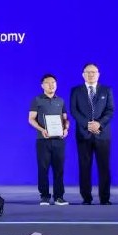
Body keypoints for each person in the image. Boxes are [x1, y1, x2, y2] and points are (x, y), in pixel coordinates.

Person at [69, 63, 115, 205]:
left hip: (102, 134)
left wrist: (99, 124)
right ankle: (86, 198)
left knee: (104, 167)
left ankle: (105, 198)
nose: (91, 74)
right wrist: (87, 124)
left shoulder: (106, 90)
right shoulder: (76, 91)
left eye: (93, 72)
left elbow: (110, 110)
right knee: (84, 167)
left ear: (98, 74)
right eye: (88, 72)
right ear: (83, 74)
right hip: (83, 134)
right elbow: (74, 110)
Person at [28, 73, 69, 205]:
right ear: (42, 85)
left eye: (53, 83)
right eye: (48, 83)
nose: (51, 85)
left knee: (59, 169)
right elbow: (31, 119)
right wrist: (42, 130)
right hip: (43, 139)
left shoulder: (60, 101)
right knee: (43, 168)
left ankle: (59, 196)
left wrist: (66, 129)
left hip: (59, 140)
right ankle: (44, 196)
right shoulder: (37, 100)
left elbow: (65, 119)